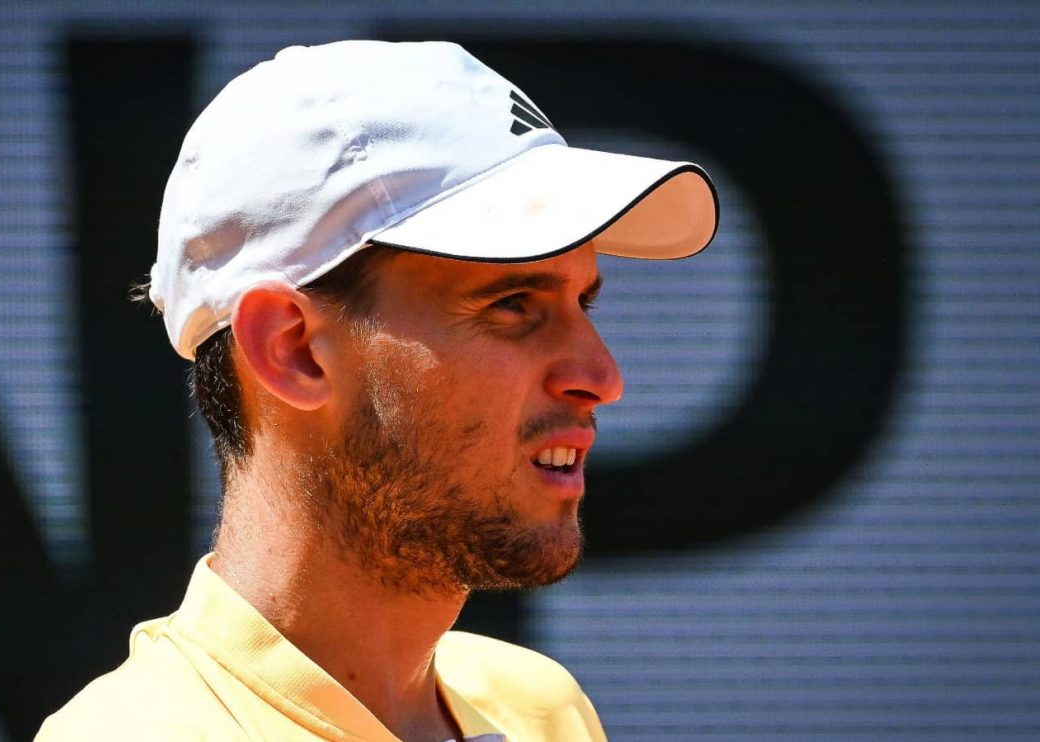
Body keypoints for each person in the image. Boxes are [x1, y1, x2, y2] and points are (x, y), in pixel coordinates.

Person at [37, 39, 717, 741]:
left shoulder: (541, 706)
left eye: (585, 304)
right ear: (292, 349)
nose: (603, 379)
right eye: (514, 303)